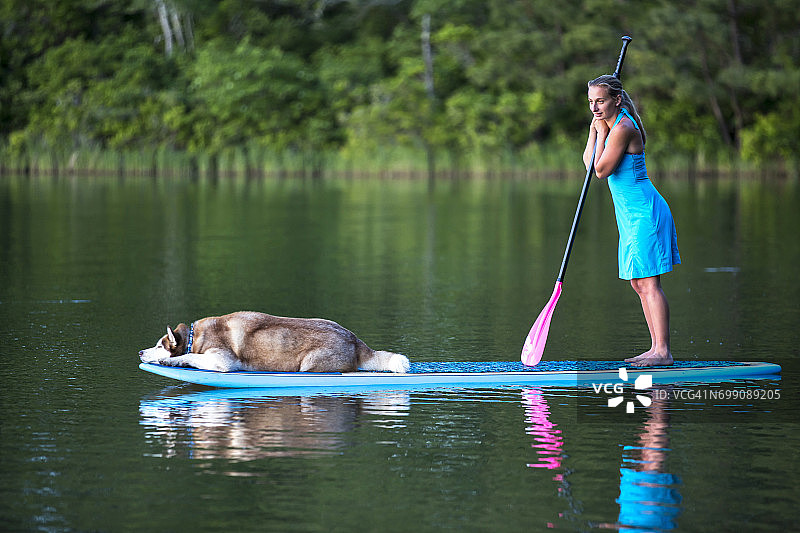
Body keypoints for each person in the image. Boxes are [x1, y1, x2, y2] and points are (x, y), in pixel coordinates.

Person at [583, 75, 680, 367]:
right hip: (629, 217)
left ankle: (663, 351)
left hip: (645, 213)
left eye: (600, 101)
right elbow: (590, 166)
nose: (595, 107)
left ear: (617, 100)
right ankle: (655, 349)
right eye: (591, 102)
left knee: (649, 283)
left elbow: (602, 171)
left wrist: (603, 132)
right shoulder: (609, 126)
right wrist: (594, 131)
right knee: (639, 283)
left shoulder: (624, 127)